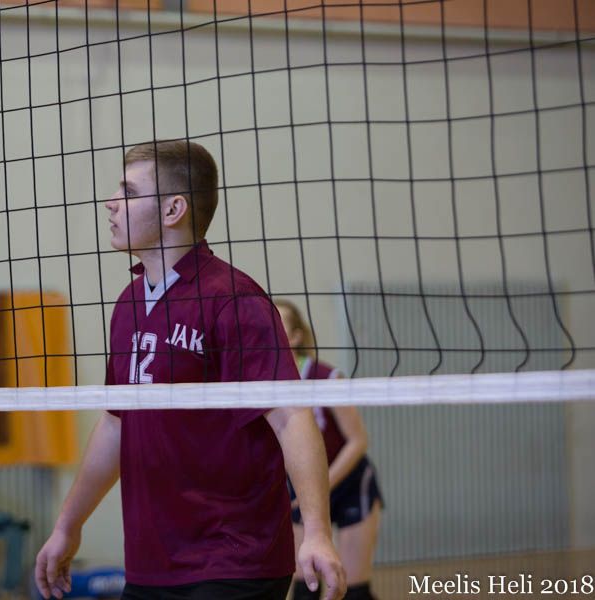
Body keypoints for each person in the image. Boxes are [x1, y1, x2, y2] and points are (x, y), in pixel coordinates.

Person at [35, 140, 345, 600]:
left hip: (234, 560)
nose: (111, 203)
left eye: (129, 192)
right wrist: (67, 524)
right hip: (150, 564)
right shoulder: (128, 304)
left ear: (173, 209)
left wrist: (317, 531)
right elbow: (116, 423)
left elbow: (290, 415)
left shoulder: (233, 298)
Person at [274, 301, 383, 600]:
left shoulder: (326, 377)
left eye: (278, 322)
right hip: (302, 487)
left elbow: (358, 441)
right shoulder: (265, 382)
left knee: (354, 592)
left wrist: (320, 484)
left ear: (295, 336)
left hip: (348, 482)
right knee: (305, 588)